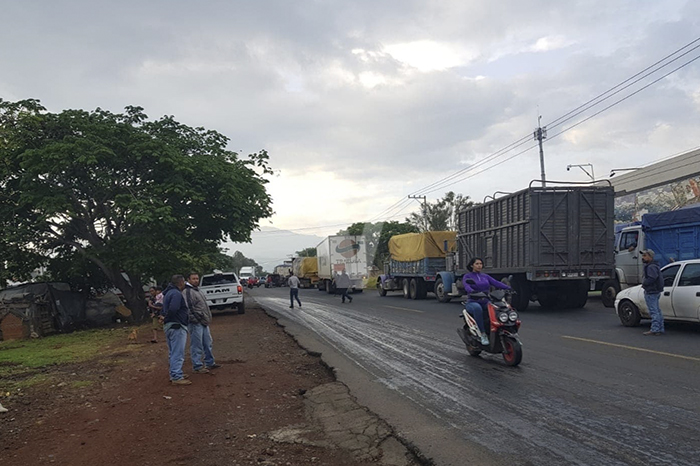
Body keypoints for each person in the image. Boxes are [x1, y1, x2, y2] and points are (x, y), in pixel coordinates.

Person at [462, 257, 511, 345]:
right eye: (477, 264)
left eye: (481, 264)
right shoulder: (467, 276)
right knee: (477, 309)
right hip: (473, 301)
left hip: (486, 300)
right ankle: (482, 334)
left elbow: (496, 283)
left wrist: (508, 288)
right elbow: (467, 286)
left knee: (498, 308)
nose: (479, 266)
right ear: (472, 265)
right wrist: (472, 291)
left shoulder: (485, 276)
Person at [184, 272, 220, 373]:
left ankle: (210, 362)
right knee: (197, 345)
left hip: (203, 321)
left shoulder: (197, 290)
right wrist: (196, 319)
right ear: (188, 280)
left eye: (197, 278)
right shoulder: (188, 292)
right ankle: (197, 366)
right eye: (193, 279)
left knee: (208, 343)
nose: (196, 280)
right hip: (195, 323)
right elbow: (189, 308)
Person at [162, 275, 191, 385]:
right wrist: (169, 317)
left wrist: (165, 318)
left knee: (173, 351)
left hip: (169, 326)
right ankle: (176, 376)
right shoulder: (176, 294)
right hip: (177, 325)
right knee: (178, 352)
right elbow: (173, 308)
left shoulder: (168, 293)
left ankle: (174, 372)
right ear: (181, 282)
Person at [641, 249, 665, 336]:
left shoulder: (651, 267)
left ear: (650, 257)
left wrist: (644, 283)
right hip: (655, 290)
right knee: (657, 311)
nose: (643, 257)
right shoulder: (654, 265)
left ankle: (655, 329)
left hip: (651, 291)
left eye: (645, 256)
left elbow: (652, 278)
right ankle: (660, 328)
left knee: (654, 311)